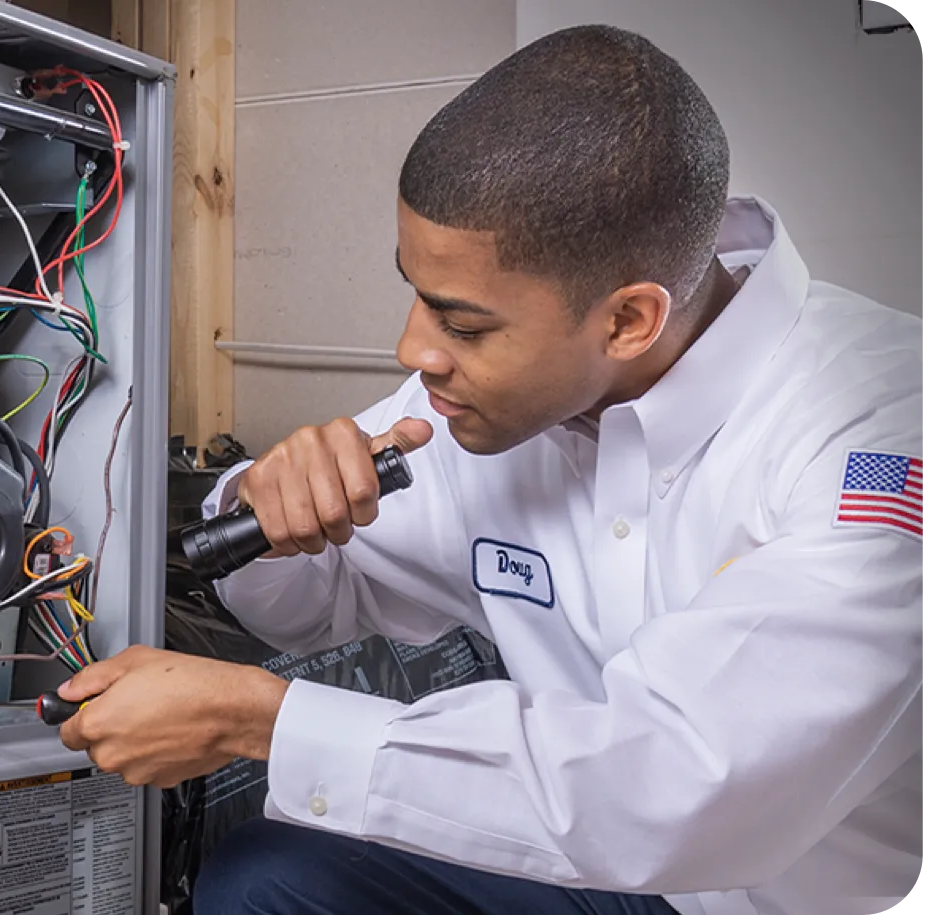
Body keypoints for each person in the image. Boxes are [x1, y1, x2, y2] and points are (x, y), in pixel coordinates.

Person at [58, 24, 924, 915]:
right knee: (270, 877)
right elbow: (323, 605)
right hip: (608, 872)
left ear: (628, 320)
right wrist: (274, 518)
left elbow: (680, 781)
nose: (412, 349)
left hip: (779, 889)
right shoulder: (492, 403)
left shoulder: (877, 429)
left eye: (462, 324)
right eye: (416, 293)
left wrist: (258, 720)